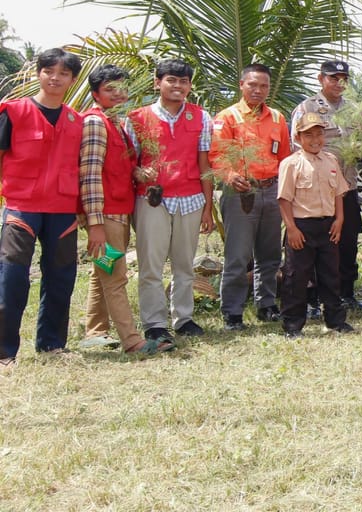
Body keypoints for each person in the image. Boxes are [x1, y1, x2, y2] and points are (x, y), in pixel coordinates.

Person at [77, 65, 173, 356]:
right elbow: (90, 175)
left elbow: (115, 167)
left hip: (119, 210)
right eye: (109, 89)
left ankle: (95, 331)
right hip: (106, 214)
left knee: (102, 271)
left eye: (121, 87)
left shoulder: (116, 123)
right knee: (116, 275)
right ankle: (133, 342)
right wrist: (94, 223)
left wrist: (138, 173)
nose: (118, 94)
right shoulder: (95, 123)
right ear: (95, 94)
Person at [0, 48, 84, 364]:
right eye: (50, 71)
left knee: (61, 278)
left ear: (72, 80)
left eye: (63, 73)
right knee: (11, 278)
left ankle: (52, 346)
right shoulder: (13, 111)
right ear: (39, 72)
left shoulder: (77, 121)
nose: (55, 78)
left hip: (63, 209)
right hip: (21, 207)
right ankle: (4, 352)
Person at [126, 58, 215, 342]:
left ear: (190, 85)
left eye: (184, 81)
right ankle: (154, 323)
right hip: (152, 200)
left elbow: (205, 165)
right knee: (151, 265)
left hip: (190, 199)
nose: (178, 86)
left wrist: (208, 206)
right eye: (171, 80)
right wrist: (140, 172)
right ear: (158, 82)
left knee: (184, 264)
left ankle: (184, 318)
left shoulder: (201, 117)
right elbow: (127, 163)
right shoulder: (137, 118)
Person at [211, 64, 291, 330]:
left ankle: (266, 305)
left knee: (269, 254)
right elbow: (217, 156)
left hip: (272, 190)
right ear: (241, 84)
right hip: (240, 192)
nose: (258, 90)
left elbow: (285, 158)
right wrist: (231, 176)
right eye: (253, 85)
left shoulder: (278, 118)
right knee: (238, 254)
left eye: (264, 86)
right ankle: (232, 312)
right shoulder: (228, 117)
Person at [290, 59, 362, 312]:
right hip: (314, 190)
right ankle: (311, 298)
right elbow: (295, 147)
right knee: (313, 244)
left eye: (343, 78)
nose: (338, 83)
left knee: (347, 242)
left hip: (347, 186)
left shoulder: (355, 109)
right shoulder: (307, 108)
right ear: (320, 79)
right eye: (333, 77)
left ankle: (345, 294)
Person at [277, 112, 352, 337]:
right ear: (298, 138)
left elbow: (339, 192)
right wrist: (291, 228)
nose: (315, 139)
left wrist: (339, 220)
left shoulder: (331, 160)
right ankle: (292, 324)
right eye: (308, 135)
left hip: (328, 225)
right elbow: (284, 199)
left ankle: (335, 321)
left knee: (331, 274)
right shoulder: (291, 164)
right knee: (297, 276)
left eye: (319, 134)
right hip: (302, 226)